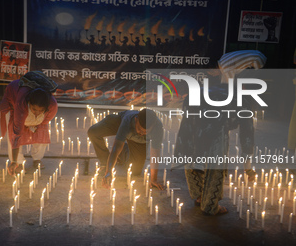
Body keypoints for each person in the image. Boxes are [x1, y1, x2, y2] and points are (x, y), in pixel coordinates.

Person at [175, 50, 266, 215]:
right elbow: (247, 136)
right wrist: (248, 167)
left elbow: (186, 117)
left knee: (192, 153)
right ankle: (210, 205)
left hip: (195, 120)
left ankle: (198, 195)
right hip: (215, 125)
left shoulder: (208, 89)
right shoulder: (243, 100)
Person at [0, 71, 58, 176]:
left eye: (40, 110)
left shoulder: (52, 106)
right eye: (34, 109)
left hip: (30, 105)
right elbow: (16, 134)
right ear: (29, 103)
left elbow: (43, 122)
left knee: (41, 132)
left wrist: (34, 125)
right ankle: (19, 162)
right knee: (13, 131)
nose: (37, 112)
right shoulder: (21, 104)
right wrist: (14, 162)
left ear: (46, 107)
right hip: (13, 99)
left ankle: (37, 158)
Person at [87, 108, 164, 189]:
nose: (141, 133)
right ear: (136, 119)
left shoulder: (158, 127)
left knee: (135, 171)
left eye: (145, 132)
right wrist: (108, 171)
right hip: (119, 123)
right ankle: (105, 161)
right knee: (93, 132)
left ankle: (123, 150)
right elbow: (116, 148)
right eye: (139, 129)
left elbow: (155, 153)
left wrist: (154, 179)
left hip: (139, 142)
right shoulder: (127, 121)